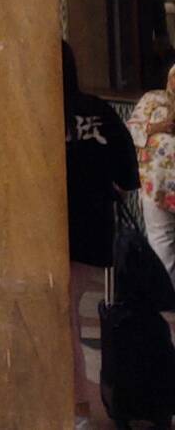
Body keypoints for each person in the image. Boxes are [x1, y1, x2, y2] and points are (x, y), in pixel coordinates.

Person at [63, 42, 140, 428]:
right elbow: (127, 176)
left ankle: (76, 405)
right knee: (66, 317)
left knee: (60, 320)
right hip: (93, 233)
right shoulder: (97, 110)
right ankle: (74, 405)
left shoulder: (33, 111)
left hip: (53, 234)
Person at [125, 62, 175, 291]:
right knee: (161, 239)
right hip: (155, 185)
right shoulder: (153, 100)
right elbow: (132, 130)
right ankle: (166, 292)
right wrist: (159, 126)